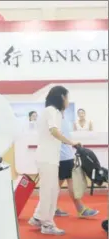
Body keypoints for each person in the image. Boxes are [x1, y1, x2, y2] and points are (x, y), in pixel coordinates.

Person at [28, 86, 80, 235]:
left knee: (51, 190)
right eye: (67, 97)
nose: (68, 101)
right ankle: (47, 224)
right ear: (61, 97)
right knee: (49, 192)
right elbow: (54, 131)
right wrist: (71, 142)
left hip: (49, 158)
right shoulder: (51, 110)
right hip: (47, 158)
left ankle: (38, 218)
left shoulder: (54, 112)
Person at [55, 118, 98, 217]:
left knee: (57, 185)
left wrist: (72, 143)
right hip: (63, 156)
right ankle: (81, 209)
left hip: (64, 155)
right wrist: (72, 143)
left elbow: (62, 136)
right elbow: (58, 136)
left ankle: (52, 208)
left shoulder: (61, 118)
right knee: (70, 182)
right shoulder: (56, 118)